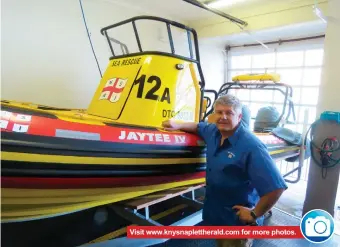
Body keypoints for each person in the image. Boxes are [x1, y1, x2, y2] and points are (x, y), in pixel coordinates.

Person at [162, 94, 288, 247]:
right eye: (219, 112)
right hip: (216, 214)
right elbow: (197, 126)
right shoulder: (213, 132)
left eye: (229, 113)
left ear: (239, 116)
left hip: (237, 223)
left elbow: (277, 187)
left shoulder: (251, 146)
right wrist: (177, 124)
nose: (223, 117)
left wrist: (254, 213)